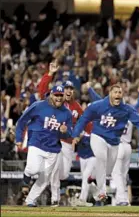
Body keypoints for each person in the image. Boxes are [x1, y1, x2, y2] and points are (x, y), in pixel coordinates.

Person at [71, 84, 139, 202]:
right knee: (101, 157)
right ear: (110, 93)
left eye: (119, 92)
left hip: (114, 142)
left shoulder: (126, 109)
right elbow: (83, 119)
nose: (117, 94)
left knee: (108, 172)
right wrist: (75, 134)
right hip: (98, 136)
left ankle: (93, 179)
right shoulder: (98, 105)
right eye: (115, 92)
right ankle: (102, 192)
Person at [86, 82, 139, 206]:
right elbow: (138, 106)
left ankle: (96, 178)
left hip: (125, 146)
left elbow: (98, 99)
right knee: (117, 174)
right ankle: (122, 199)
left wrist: (90, 89)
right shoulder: (124, 111)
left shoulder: (126, 111)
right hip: (118, 144)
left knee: (121, 174)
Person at [37, 62, 87, 206]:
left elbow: (83, 124)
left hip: (69, 144)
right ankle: (55, 198)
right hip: (55, 141)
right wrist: (50, 74)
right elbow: (42, 91)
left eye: (71, 88)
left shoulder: (77, 107)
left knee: (63, 174)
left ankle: (45, 176)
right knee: (55, 170)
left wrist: (78, 136)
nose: (69, 91)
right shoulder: (55, 101)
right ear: (62, 90)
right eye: (66, 88)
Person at [15, 85, 73, 207]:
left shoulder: (67, 113)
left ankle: (30, 200)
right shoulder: (39, 106)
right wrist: (19, 138)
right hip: (37, 143)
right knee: (33, 169)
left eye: (61, 95)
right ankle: (25, 179)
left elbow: (68, 135)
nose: (58, 98)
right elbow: (22, 121)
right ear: (51, 95)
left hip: (53, 148)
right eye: (56, 95)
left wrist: (65, 131)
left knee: (45, 179)